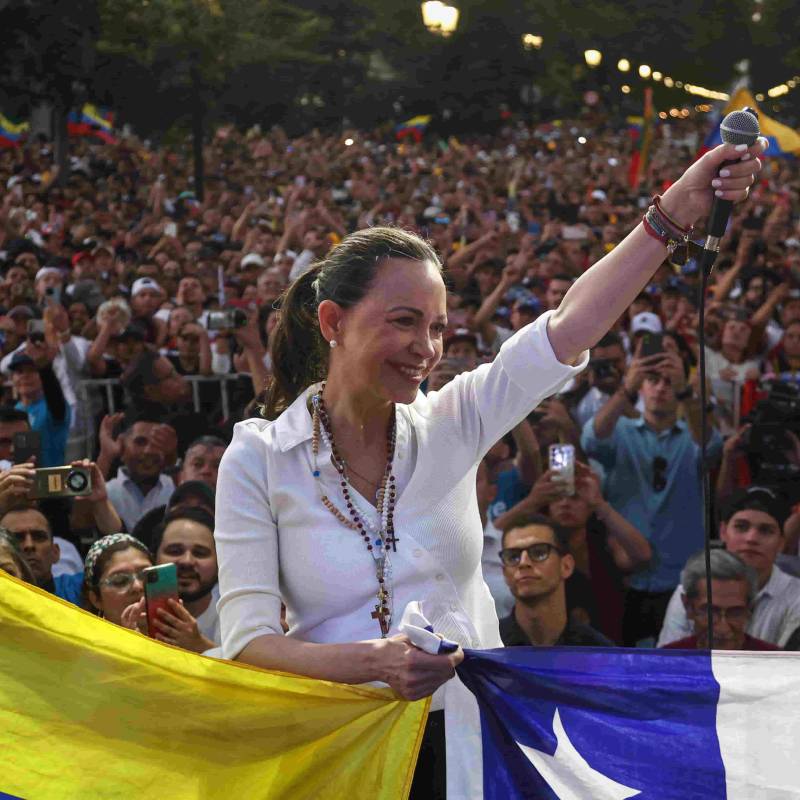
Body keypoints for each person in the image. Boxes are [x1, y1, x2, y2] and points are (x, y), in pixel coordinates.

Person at [214, 141, 764, 796]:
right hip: (339, 755)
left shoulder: (454, 421)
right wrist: (375, 663)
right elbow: (247, 642)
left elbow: (567, 329)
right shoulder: (260, 457)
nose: (426, 349)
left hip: (475, 748)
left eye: (438, 327)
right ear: (333, 321)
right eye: (405, 322)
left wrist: (672, 215)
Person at [582, 339, 723, 646]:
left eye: (669, 382)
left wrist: (687, 392)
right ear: (641, 387)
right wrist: (626, 389)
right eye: (652, 379)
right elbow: (591, 439)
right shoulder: (620, 431)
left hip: (681, 581)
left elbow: (711, 447)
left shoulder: (692, 436)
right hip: (625, 578)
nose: (660, 388)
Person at [658, 487, 800, 648]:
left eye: (765, 530)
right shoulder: (689, 588)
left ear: (781, 542)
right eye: (741, 527)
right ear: (723, 532)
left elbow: (789, 662)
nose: (751, 538)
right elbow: (670, 658)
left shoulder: (797, 597)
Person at [497, 512, 613, 647]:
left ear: (566, 566)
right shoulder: (486, 646)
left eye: (539, 552)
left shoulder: (598, 651)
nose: (523, 563)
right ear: (504, 573)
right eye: (513, 557)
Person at [661, 549, 779, 651]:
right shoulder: (666, 662)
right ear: (688, 607)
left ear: (750, 610)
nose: (723, 628)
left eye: (735, 613)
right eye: (710, 612)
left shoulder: (776, 663)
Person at [103, 415, 176, 531]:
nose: (149, 451)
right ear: (122, 446)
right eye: (140, 442)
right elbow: (81, 523)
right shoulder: (107, 492)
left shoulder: (175, 486)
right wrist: (106, 455)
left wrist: (172, 458)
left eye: (157, 443)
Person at [1, 506, 84, 604]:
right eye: (17, 538)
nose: (29, 545)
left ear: (55, 552)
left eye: (39, 537)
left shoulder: (82, 589)